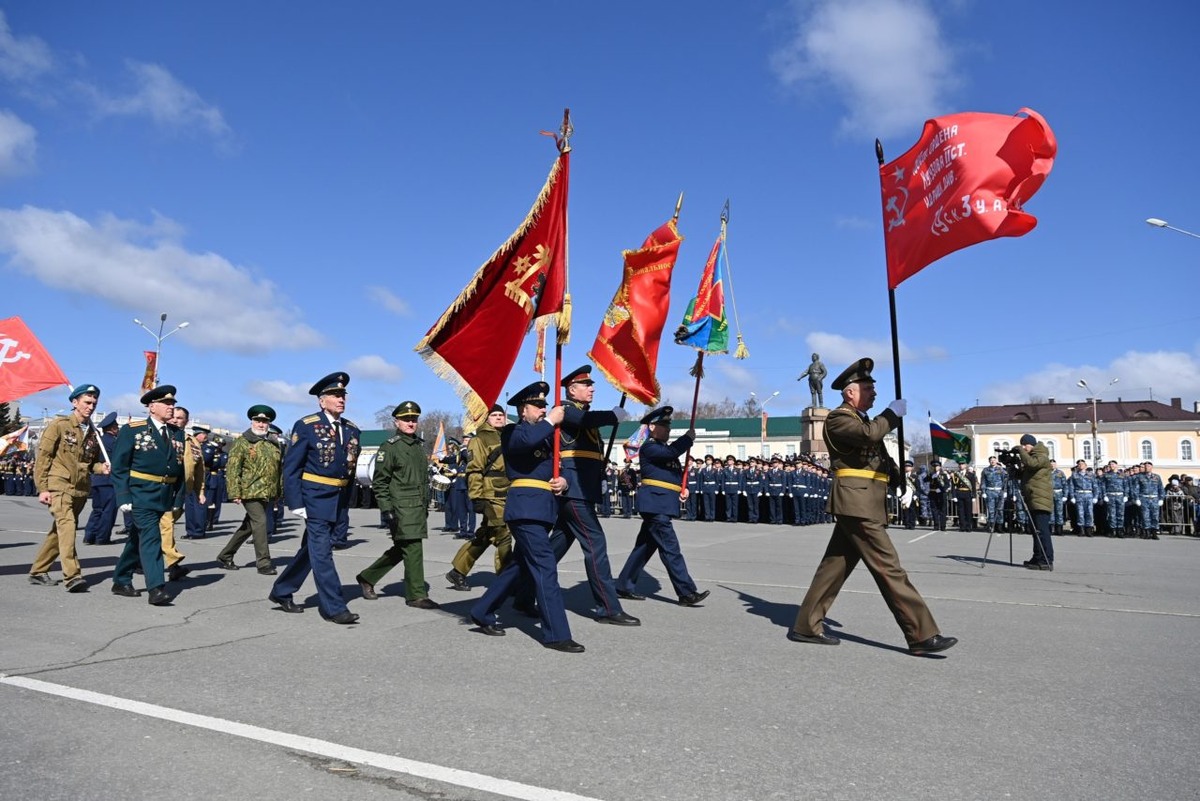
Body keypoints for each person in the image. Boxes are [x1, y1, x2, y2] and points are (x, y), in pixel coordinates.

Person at [788, 357, 956, 655]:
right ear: (850, 392)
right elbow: (869, 437)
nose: (874, 393)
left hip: (865, 502)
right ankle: (920, 634)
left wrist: (899, 480)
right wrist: (891, 414)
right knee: (890, 569)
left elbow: (878, 456)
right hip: (857, 503)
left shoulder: (862, 419)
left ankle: (806, 625)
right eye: (868, 388)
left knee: (834, 568)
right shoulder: (839, 418)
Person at [468, 381, 583, 652]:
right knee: (545, 567)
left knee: (519, 566)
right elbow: (525, 443)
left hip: (544, 509)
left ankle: (482, 610)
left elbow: (560, 464)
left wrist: (563, 481)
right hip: (525, 509)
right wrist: (552, 421)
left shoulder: (547, 436)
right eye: (538, 405)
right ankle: (556, 634)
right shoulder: (512, 432)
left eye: (546, 405)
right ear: (523, 410)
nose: (544, 409)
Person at [546, 365, 638, 625]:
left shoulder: (583, 413)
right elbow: (586, 421)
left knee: (552, 549)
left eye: (592, 385)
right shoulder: (565, 410)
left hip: (582, 489)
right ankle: (607, 608)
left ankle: (518, 589)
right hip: (572, 490)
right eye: (587, 385)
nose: (592, 388)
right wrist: (612, 415)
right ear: (571, 390)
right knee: (595, 544)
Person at [269, 372, 361, 624]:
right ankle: (334, 606)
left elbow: (350, 470)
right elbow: (291, 467)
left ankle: (282, 590)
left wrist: (348, 502)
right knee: (322, 552)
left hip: (339, 498)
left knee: (311, 550)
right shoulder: (307, 425)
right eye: (334, 395)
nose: (340, 399)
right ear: (322, 401)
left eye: (343, 395)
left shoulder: (352, 429)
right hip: (315, 497)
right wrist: (295, 502)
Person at [615, 406, 709, 606]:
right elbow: (672, 452)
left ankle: (623, 585)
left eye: (668, 426)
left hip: (661, 502)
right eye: (664, 425)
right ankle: (686, 592)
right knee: (670, 549)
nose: (667, 429)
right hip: (655, 505)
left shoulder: (663, 449)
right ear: (651, 427)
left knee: (644, 547)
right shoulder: (649, 447)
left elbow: (669, 474)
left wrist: (681, 489)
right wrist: (687, 438)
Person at [356, 400, 438, 609]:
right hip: (401, 507)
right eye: (406, 419)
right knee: (413, 548)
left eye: (414, 419)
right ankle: (416, 595)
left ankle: (367, 577)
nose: (410, 423)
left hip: (418, 506)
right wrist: (387, 510)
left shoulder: (418, 446)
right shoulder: (390, 447)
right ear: (396, 421)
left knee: (403, 548)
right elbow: (380, 482)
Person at [110, 385, 185, 605]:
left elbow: (180, 469)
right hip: (140, 493)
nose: (171, 408)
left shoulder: (176, 433)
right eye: (166, 404)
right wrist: (123, 496)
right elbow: (119, 466)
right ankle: (156, 588)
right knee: (152, 538)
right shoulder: (133, 430)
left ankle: (121, 579)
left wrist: (178, 498)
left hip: (164, 494)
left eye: (173, 404)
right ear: (152, 407)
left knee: (137, 539)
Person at [29, 383, 108, 592]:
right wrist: (42, 488)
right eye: (87, 402)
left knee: (60, 531)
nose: (90, 407)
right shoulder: (59, 425)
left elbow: (90, 464)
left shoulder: (93, 432)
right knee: (68, 528)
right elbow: (43, 457)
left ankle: (38, 571)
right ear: (75, 402)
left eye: (94, 403)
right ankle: (72, 576)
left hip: (80, 489)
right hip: (59, 486)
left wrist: (102, 468)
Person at [446, 404, 513, 591]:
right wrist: (476, 496)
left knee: (485, 535)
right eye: (495, 415)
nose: (499, 418)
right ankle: (506, 582)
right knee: (503, 535)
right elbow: (474, 469)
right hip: (490, 495)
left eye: (501, 415)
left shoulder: (506, 436)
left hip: (507, 493)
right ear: (486, 418)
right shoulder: (479, 439)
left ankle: (458, 571)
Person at [217, 405, 283, 574]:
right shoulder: (242, 442)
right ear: (252, 421)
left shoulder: (273, 443)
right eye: (258, 421)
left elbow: (278, 470)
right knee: (260, 523)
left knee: (249, 525)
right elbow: (233, 469)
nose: (261, 424)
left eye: (265, 421)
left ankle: (225, 555)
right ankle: (263, 563)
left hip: (268, 491)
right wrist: (235, 492)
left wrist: (278, 492)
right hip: (250, 490)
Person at [1014, 434, 1054, 570]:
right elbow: (1027, 473)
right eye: (1022, 446)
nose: (1024, 448)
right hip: (1034, 498)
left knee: (1042, 531)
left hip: (1040, 499)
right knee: (1035, 531)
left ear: (1031, 444)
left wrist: (1020, 451)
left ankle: (1046, 560)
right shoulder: (1033, 457)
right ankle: (1037, 557)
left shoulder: (1041, 455)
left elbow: (1032, 464)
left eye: (1025, 445)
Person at [82, 411, 120, 546]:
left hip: (97, 480)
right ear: (112, 428)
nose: (118, 428)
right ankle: (102, 537)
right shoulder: (114, 442)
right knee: (108, 511)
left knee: (97, 509)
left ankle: (89, 535)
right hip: (109, 480)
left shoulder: (99, 441)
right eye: (117, 426)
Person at [1135, 461, 1165, 539]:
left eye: (1148, 466)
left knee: (1155, 516)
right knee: (1145, 516)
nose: (1146, 467)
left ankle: (1154, 532)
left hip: (1154, 498)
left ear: (1151, 467)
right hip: (1144, 498)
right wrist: (1137, 499)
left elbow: (1161, 488)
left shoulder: (1157, 477)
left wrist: (1161, 498)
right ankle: (1147, 532)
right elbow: (1136, 489)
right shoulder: (1140, 477)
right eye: (1145, 466)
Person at [1067, 459, 1097, 536]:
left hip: (1089, 495)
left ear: (1086, 466)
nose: (1081, 465)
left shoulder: (1091, 475)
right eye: (1079, 464)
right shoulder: (1074, 475)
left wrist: (1095, 497)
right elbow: (1071, 487)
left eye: (1082, 464)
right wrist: (1072, 497)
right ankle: (1081, 529)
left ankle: (1089, 530)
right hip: (1079, 495)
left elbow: (1095, 486)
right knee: (1080, 513)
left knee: (1089, 513)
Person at [980, 455, 1007, 533]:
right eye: (991, 460)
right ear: (989, 461)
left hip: (999, 492)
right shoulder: (985, 470)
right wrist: (983, 492)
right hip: (990, 492)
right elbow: (983, 481)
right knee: (991, 510)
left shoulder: (1001, 470)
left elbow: (1005, 481)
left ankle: (1000, 527)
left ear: (996, 461)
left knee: (1000, 510)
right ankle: (991, 526)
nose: (993, 461)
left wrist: (1005, 491)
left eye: (994, 460)